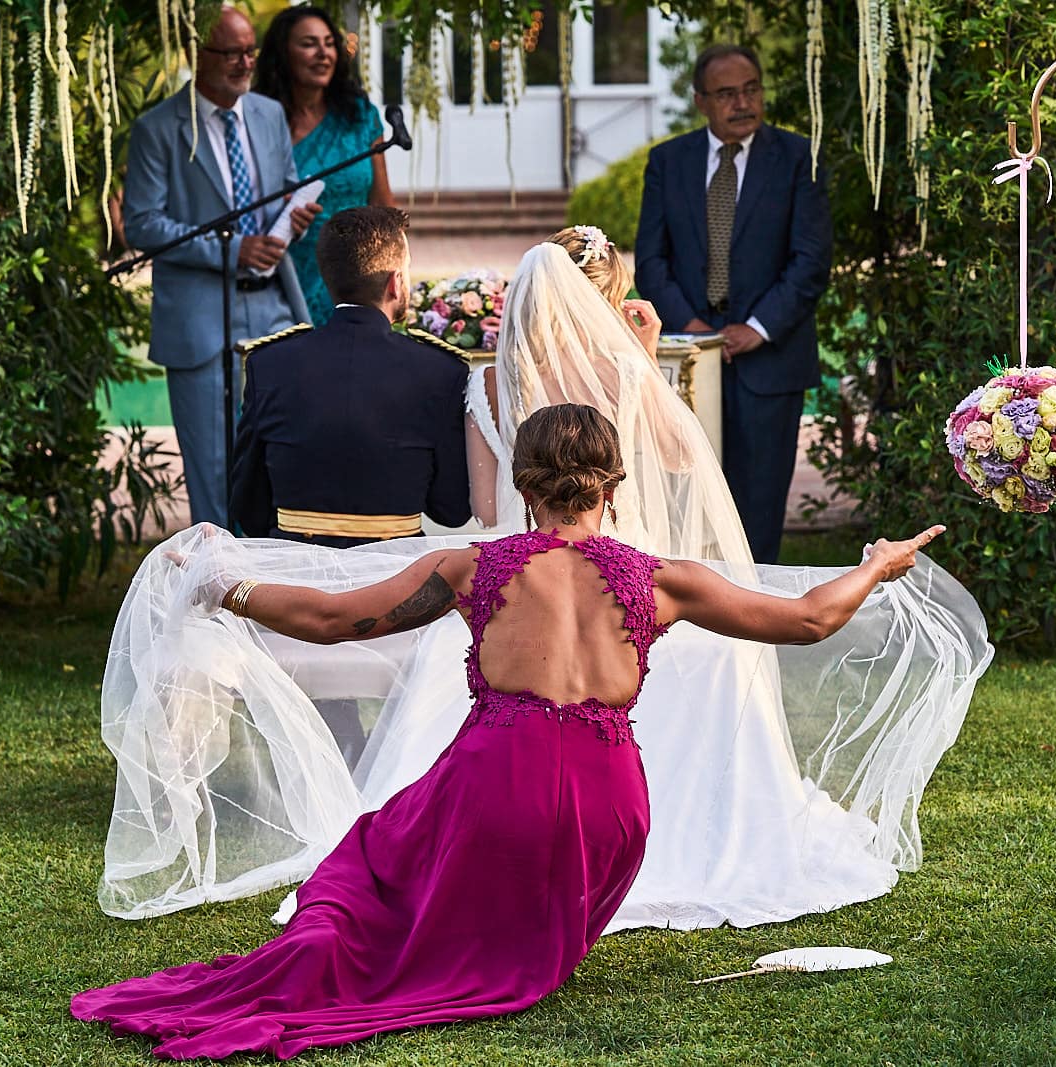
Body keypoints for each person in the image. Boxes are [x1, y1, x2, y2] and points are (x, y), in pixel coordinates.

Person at [73, 404, 947, 1060]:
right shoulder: (661, 580)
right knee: (423, 866)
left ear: (524, 484)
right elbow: (804, 621)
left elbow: (334, 620)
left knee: (367, 863)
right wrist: (875, 565)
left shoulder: (469, 567)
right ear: (613, 486)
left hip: (496, 790)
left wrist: (225, 585)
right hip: (610, 819)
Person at [123, 5, 322, 529]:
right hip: (199, 321)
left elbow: (283, 187)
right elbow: (142, 224)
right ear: (197, 54)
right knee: (214, 475)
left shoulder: (267, 113)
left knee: (284, 459)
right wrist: (230, 250)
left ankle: (279, 590)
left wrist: (292, 218)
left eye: (249, 52)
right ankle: (217, 596)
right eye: (230, 53)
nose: (243, 63)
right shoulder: (158, 128)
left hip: (274, 308)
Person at [634, 44, 832, 565]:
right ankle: (692, 623)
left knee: (758, 510)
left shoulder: (797, 159)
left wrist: (757, 328)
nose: (742, 103)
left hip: (770, 362)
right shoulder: (668, 162)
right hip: (688, 363)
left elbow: (811, 261)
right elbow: (651, 261)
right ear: (701, 100)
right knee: (686, 501)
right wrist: (694, 329)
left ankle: (755, 622)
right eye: (727, 93)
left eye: (751, 89)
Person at [467, 230, 754, 569]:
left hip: (522, 571)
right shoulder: (626, 374)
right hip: (615, 568)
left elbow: (487, 512)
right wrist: (646, 359)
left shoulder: (486, 383)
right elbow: (681, 457)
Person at [229, 206, 470, 549]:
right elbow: (451, 509)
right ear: (395, 283)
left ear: (329, 278)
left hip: (296, 574)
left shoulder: (269, 362)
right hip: (396, 578)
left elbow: (248, 507)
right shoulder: (441, 370)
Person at [253, 5, 395, 326]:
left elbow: (383, 203)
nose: (323, 53)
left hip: (356, 281)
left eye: (329, 43)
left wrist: (392, 276)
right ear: (282, 53)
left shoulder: (360, 116)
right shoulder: (257, 121)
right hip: (282, 281)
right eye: (308, 44)